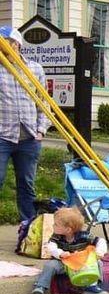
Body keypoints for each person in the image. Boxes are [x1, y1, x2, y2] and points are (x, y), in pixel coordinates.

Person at [0, 25, 48, 224]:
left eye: (4, 44)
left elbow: (43, 101)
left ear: (15, 44)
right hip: (2, 135)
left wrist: (41, 130)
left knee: (27, 184)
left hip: (29, 137)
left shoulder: (35, 68)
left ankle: (27, 226)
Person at [30, 207, 108, 294]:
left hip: (81, 264)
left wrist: (99, 251)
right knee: (50, 265)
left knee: (99, 263)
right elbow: (51, 246)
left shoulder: (84, 236)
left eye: (56, 224)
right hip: (63, 263)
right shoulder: (57, 237)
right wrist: (60, 253)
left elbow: (100, 241)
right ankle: (40, 286)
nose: (53, 225)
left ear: (68, 230)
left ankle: (91, 287)